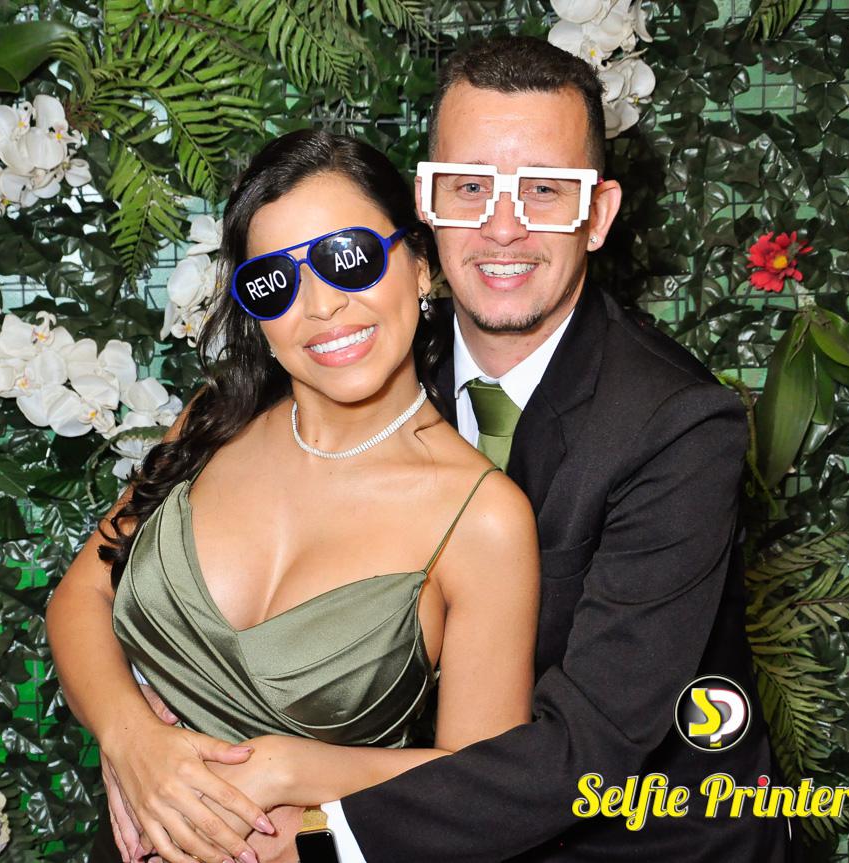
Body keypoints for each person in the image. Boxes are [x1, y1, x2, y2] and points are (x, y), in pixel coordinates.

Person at [86, 35, 789, 863]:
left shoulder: (679, 426)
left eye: (543, 190)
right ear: (427, 205)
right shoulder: (359, 347)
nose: (503, 227)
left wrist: (303, 809)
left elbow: (585, 747)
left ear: (597, 215)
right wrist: (140, 739)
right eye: (471, 186)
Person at [46, 129, 541, 863]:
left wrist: (295, 776)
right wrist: (131, 741)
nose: (320, 307)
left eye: (349, 259)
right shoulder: (214, 419)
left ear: (418, 263)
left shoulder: (484, 518)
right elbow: (79, 595)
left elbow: (484, 787)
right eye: (274, 282)